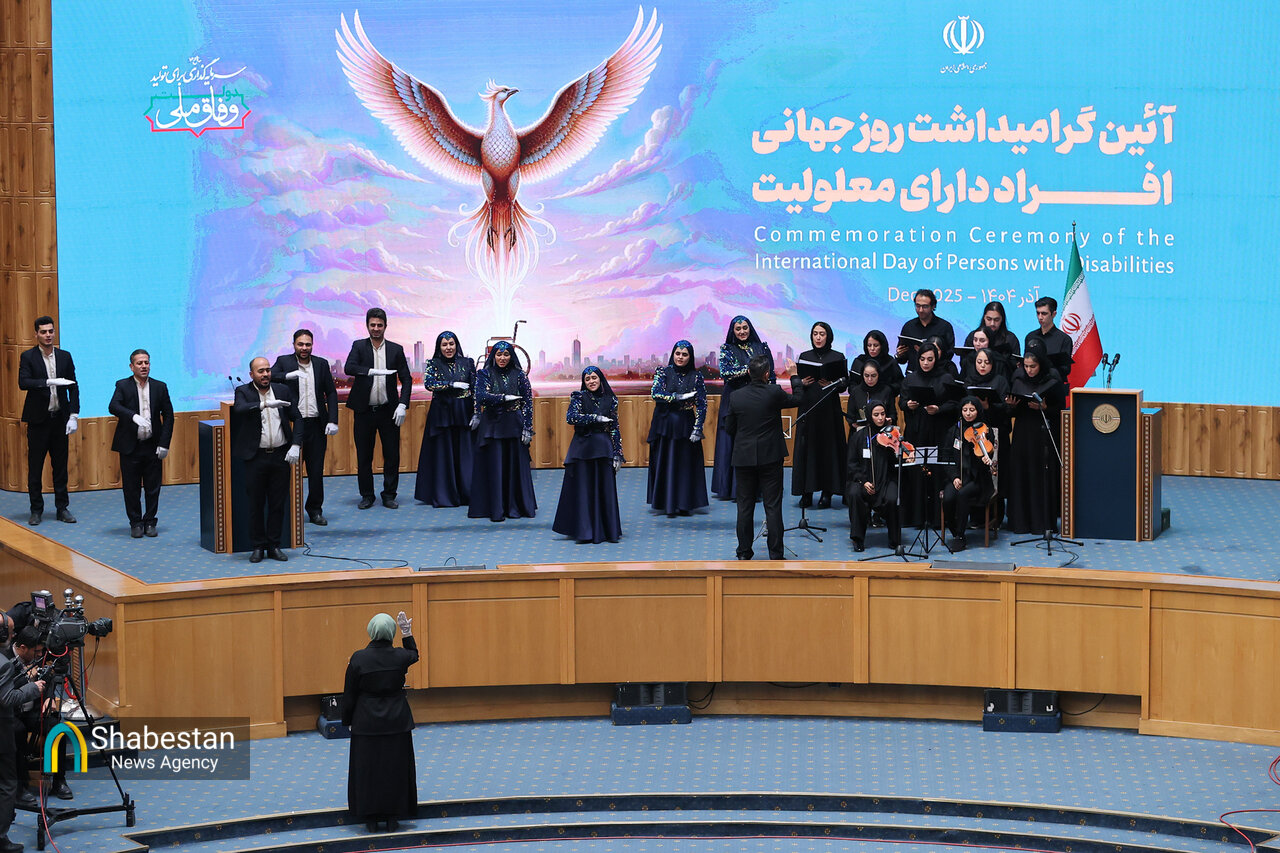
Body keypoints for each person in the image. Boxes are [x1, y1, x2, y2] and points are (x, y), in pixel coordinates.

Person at [342, 611, 418, 833]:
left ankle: (371, 818)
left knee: (368, 769)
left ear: (371, 631)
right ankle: (393, 817)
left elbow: (349, 694)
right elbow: (414, 654)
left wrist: (348, 720)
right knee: (395, 768)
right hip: (397, 721)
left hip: (366, 722)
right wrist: (407, 633)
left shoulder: (358, 658)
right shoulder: (400, 657)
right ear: (391, 632)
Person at [725, 355, 801, 560]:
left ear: (749, 373)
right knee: (773, 506)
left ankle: (743, 552)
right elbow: (798, 399)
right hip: (770, 456)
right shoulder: (774, 392)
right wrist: (794, 376)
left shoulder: (736, 396)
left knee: (744, 507)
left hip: (744, 457)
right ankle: (775, 554)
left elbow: (729, 427)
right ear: (767, 374)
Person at [231, 357, 303, 563]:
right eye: (260, 371)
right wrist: (265, 404)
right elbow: (239, 409)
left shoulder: (282, 390)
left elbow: (297, 417)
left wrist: (296, 444)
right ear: (251, 374)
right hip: (256, 457)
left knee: (277, 504)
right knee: (256, 504)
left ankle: (274, 545)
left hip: (280, 456)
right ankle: (258, 546)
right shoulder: (243, 391)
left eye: (268, 370)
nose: (265, 374)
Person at [345, 308, 413, 510]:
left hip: (388, 411)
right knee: (364, 456)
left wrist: (403, 404)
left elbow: (407, 379)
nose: (376, 328)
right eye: (372, 325)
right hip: (364, 411)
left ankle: (389, 495)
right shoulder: (358, 346)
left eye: (379, 325)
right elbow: (349, 368)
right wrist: (370, 371)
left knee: (392, 455)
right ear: (367, 326)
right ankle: (367, 496)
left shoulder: (396, 349)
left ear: (385, 326)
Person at [272, 329, 339, 525]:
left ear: (312, 345)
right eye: (300, 344)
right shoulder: (284, 361)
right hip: (292, 425)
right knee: (286, 471)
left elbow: (331, 393)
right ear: (294, 345)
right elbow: (270, 375)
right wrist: (287, 376)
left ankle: (315, 510)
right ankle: (286, 511)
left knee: (316, 471)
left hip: (316, 424)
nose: (304, 348)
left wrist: (333, 419)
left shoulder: (321, 364)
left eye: (307, 344)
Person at [17, 316, 79, 526]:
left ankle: (62, 508)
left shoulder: (64, 356)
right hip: (38, 421)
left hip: (59, 419)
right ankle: (36, 509)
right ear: (36, 334)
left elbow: (73, 386)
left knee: (60, 466)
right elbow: (23, 382)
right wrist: (49, 382)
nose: (48, 335)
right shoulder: (28, 356)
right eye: (43, 332)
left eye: (51, 331)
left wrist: (74, 415)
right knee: (35, 467)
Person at [108, 349, 175, 538]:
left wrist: (164, 443)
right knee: (131, 488)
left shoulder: (160, 387)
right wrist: (133, 416)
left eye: (146, 362)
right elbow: (113, 406)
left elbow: (168, 416)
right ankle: (136, 522)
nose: (144, 366)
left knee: (153, 487)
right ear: (132, 367)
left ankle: (150, 521)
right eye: (139, 363)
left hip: (153, 445)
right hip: (131, 445)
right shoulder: (123, 385)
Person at [553, 367, 624, 543]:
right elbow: (571, 418)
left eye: (594, 378)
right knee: (583, 488)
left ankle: (605, 530)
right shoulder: (578, 397)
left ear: (600, 379)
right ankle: (584, 530)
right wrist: (595, 418)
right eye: (587, 379)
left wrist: (618, 453)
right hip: (582, 449)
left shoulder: (611, 399)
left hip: (603, 448)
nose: (591, 381)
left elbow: (614, 428)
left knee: (604, 488)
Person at [469, 341, 536, 521]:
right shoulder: (484, 373)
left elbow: (527, 403)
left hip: (514, 425)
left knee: (514, 466)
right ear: (493, 356)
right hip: (492, 425)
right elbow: (481, 396)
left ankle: (515, 506)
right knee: (494, 465)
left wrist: (528, 427)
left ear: (511, 356)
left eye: (506, 354)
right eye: (499, 354)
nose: (502, 358)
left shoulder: (520, 375)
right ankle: (495, 507)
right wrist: (504, 398)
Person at [1004, 351, 1067, 535]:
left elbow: (1060, 410)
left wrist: (1045, 408)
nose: (1029, 370)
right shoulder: (1018, 381)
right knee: (1021, 474)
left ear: (1041, 365)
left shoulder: (1052, 381)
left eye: (1033, 366)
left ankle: (1042, 523)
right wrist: (1011, 406)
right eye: (1026, 366)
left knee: (1040, 476)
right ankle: (1021, 522)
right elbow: (1011, 413)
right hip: (1022, 434)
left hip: (1042, 434)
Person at [712, 316, 774, 500]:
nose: (742, 331)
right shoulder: (727, 349)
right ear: (733, 331)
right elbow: (725, 372)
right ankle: (731, 489)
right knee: (732, 441)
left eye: (745, 327)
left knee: (756, 442)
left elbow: (770, 375)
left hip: (758, 400)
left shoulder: (761, 348)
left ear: (750, 328)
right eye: (738, 328)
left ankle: (757, 489)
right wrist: (751, 369)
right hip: (734, 400)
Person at [898, 342, 960, 527]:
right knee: (916, 473)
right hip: (916, 432)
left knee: (937, 472)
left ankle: (936, 518)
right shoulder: (910, 378)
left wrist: (939, 409)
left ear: (936, 359)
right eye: (923, 359)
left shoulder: (946, 378)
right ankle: (916, 517)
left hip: (938, 432)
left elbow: (955, 403)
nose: (926, 363)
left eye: (930, 359)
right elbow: (902, 402)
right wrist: (908, 405)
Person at [646, 341, 708, 517]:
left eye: (685, 354)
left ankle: (684, 503)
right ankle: (666, 502)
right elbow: (655, 393)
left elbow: (702, 405)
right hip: (664, 425)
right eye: (678, 353)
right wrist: (678, 397)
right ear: (673, 354)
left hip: (686, 424)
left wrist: (698, 428)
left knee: (685, 464)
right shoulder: (663, 372)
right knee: (665, 462)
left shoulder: (696, 376)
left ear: (690, 357)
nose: (680, 357)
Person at [414, 331, 476, 508]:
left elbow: (475, 387)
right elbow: (429, 384)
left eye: (451, 344)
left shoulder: (468, 362)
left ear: (456, 344)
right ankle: (445, 494)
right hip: (442, 414)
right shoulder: (433, 363)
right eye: (444, 344)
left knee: (466, 453)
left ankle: (468, 493)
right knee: (443, 453)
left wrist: (477, 413)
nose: (448, 347)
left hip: (464, 412)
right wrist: (451, 384)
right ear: (439, 347)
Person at [790, 321, 847, 508]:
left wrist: (833, 383)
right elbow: (796, 382)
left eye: (822, 334)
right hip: (808, 409)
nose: (818, 337)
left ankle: (827, 493)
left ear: (828, 336)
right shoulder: (804, 357)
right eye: (815, 334)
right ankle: (806, 493)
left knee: (828, 451)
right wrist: (802, 383)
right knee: (807, 451)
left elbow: (844, 384)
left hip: (829, 411)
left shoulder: (837, 357)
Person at [0, 632, 44, 853]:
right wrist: (33, 688)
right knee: (7, 785)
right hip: (2, 734)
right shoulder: (3, 664)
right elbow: (6, 699)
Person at [940, 397, 998, 551]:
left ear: (978, 411)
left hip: (978, 478)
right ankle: (955, 530)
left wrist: (985, 458)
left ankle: (960, 536)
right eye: (965, 410)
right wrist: (954, 477)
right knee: (948, 498)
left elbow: (989, 453)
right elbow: (946, 457)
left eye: (972, 410)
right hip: (958, 476)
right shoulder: (954, 431)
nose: (968, 413)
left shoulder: (985, 430)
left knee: (963, 494)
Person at [846, 402, 901, 553]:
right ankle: (858, 539)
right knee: (854, 493)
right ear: (870, 416)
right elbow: (851, 464)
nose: (880, 418)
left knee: (892, 498)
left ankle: (894, 539)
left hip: (886, 479)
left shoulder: (892, 435)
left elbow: (897, 462)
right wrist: (863, 481)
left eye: (883, 414)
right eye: (876, 415)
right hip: (863, 480)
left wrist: (900, 451)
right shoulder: (858, 437)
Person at [895, 289, 955, 371]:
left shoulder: (944, 327)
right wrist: (900, 355)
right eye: (917, 306)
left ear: (933, 306)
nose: (920, 310)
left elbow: (949, 355)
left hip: (937, 374)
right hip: (913, 373)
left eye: (925, 306)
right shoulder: (908, 326)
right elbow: (903, 360)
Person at [1024, 296, 1074, 378]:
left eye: (1044, 313)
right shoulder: (1030, 336)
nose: (1040, 317)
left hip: (1054, 382)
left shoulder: (1064, 339)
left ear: (1053, 314)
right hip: (1032, 382)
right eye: (1038, 313)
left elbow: (1066, 369)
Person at [968, 300, 1020, 376]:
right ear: (984, 318)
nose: (992, 323)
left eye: (996, 320)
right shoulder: (974, 336)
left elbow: (1014, 366)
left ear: (1002, 319)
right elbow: (965, 363)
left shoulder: (1010, 339)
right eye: (989, 319)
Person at [849, 329, 904, 397]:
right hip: (862, 399)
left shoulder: (890, 362)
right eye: (869, 345)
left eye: (875, 345)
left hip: (885, 399)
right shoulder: (859, 361)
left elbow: (899, 384)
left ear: (882, 346)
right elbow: (852, 384)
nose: (872, 348)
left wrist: (886, 390)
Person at [845, 361, 898, 429]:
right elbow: (850, 415)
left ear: (878, 375)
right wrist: (855, 425)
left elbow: (892, 414)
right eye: (866, 376)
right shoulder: (855, 391)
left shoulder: (886, 391)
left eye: (873, 376)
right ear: (862, 375)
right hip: (860, 430)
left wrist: (890, 420)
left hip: (882, 430)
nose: (870, 379)